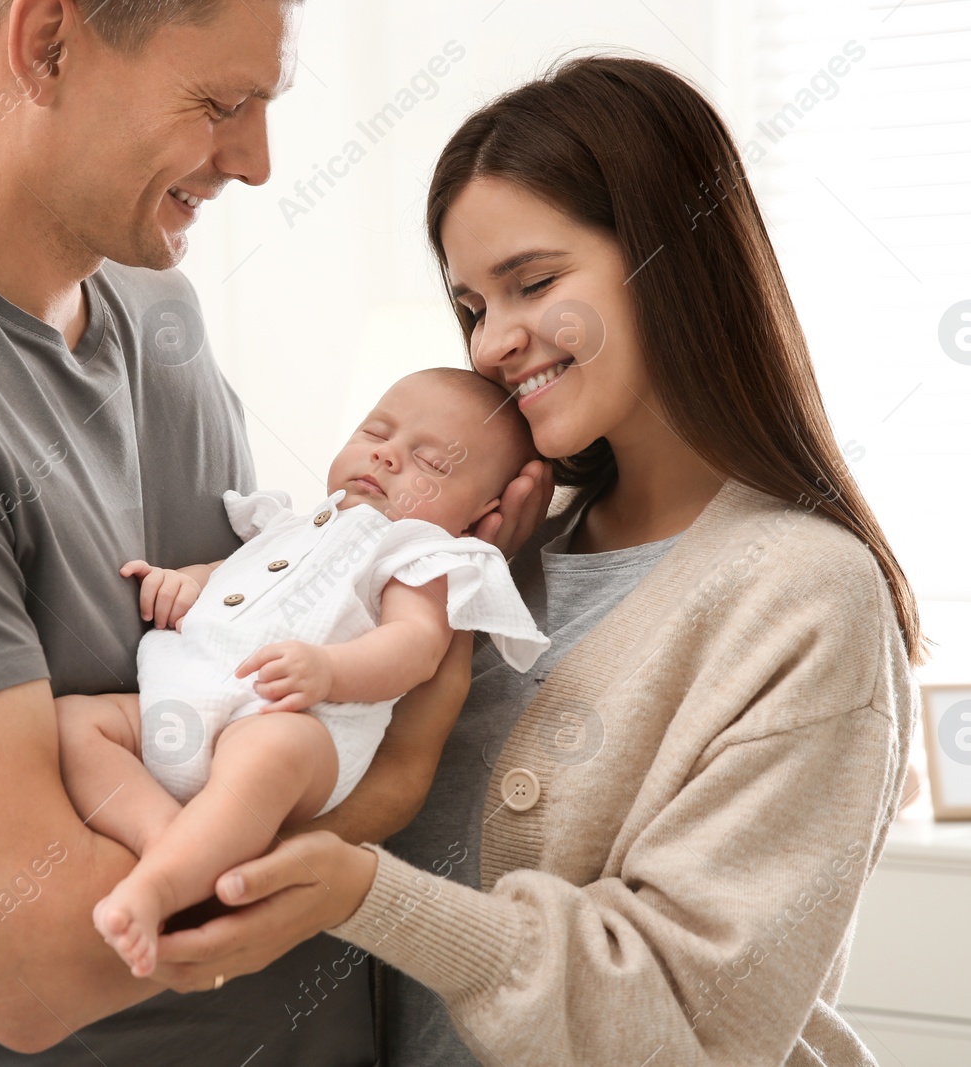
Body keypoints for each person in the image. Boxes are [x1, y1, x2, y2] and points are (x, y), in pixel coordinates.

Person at [0, 1, 542, 1061]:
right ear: (46, 42)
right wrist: (382, 791)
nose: (255, 163)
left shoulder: (157, 311)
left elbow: (239, 683)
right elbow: (30, 963)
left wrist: (447, 618)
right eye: (220, 102)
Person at [142, 55, 923, 1067]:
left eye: (533, 283)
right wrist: (461, 601)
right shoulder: (493, 561)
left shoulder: (804, 596)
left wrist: (360, 891)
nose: (490, 345)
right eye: (471, 306)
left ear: (670, 256)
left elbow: (693, 1019)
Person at [58, 369, 550, 978]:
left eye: (431, 463)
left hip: (295, 719)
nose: (387, 456)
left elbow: (414, 645)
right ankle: (166, 840)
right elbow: (231, 572)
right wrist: (184, 582)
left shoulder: (421, 553)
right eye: (377, 431)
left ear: (482, 513)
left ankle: (158, 887)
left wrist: (328, 669)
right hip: (181, 696)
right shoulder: (295, 523)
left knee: (272, 752)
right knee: (78, 723)